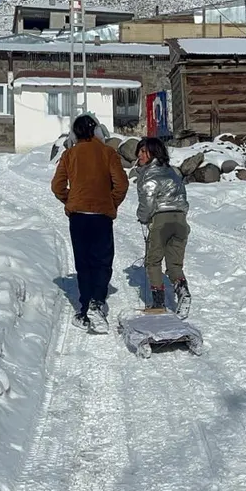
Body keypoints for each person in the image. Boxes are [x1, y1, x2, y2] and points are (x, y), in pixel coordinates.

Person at [51, 115, 129, 332]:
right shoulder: (108, 153)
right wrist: (110, 202)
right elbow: (121, 184)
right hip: (102, 216)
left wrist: (72, 199)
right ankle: (97, 300)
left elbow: (57, 186)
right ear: (97, 131)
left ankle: (85, 308)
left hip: (79, 216)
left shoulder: (70, 154)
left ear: (74, 133)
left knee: (83, 261)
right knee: (102, 260)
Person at [134, 137, 191, 318]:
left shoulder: (149, 176)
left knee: (153, 261)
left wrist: (142, 218)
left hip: (161, 220)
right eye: (139, 151)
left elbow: (148, 203)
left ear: (154, 153)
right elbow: (183, 197)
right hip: (180, 220)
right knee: (174, 263)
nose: (139, 155)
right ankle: (183, 291)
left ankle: (158, 302)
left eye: (144, 152)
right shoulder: (173, 173)